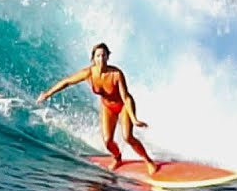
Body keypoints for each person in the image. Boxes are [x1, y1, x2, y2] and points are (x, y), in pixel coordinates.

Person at [36, 42, 158, 175]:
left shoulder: (116, 74)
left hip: (123, 106)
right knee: (107, 141)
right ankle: (117, 158)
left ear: (108, 57)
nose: (101, 59)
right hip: (107, 107)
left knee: (127, 137)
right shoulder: (88, 73)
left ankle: (148, 161)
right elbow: (67, 81)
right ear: (93, 58)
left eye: (104, 55)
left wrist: (134, 119)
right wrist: (47, 94)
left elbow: (126, 97)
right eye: (98, 56)